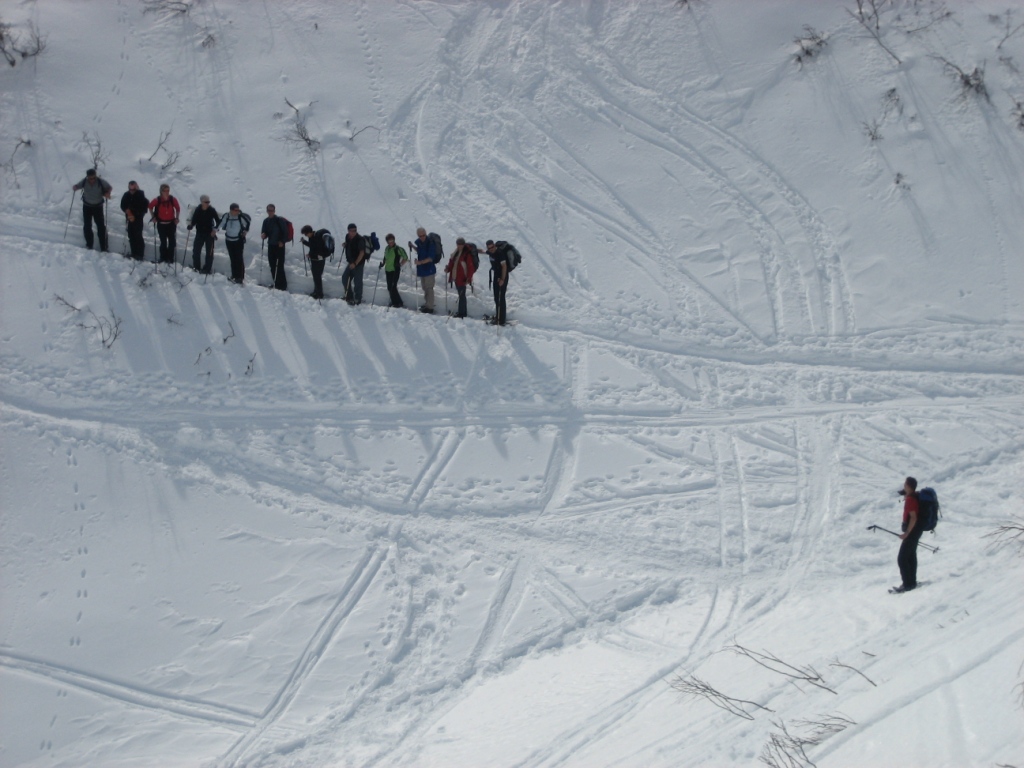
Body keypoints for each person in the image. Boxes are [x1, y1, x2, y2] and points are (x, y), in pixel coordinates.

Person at [894, 476, 922, 593]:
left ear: (909, 486)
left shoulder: (911, 499)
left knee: (902, 558)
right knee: (910, 556)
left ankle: (907, 584)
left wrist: (907, 533)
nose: (904, 486)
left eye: (905, 484)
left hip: (912, 532)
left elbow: (913, 518)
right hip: (917, 531)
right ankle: (912, 582)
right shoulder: (914, 496)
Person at [72, 168, 112, 252]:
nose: (92, 179)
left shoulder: (100, 181)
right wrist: (75, 187)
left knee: (101, 227)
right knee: (87, 226)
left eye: (94, 177)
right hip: (87, 206)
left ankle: (104, 247)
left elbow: (109, 187)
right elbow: (78, 186)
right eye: (90, 178)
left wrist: (107, 193)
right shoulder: (84, 181)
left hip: (98, 207)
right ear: (87, 177)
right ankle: (89, 245)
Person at [187, 195, 221, 274]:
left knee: (209, 252)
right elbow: (194, 220)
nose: (208, 203)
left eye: (208, 202)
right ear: (202, 202)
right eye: (206, 202)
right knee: (196, 251)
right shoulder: (198, 209)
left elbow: (218, 221)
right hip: (200, 233)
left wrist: (215, 230)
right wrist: (191, 225)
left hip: (210, 234)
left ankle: (207, 269)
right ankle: (196, 267)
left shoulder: (211, 210)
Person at [444, 238, 477, 318]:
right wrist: (448, 269)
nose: (459, 245)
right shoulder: (456, 253)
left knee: (462, 296)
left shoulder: (466, 254)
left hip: (462, 278)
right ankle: (462, 312)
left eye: (461, 244)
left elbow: (470, 267)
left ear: (464, 244)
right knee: (461, 295)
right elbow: (452, 263)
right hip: (456, 277)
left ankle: (462, 313)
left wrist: (469, 278)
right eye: (458, 244)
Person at [218, 203, 251, 283]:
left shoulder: (240, 217)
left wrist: (245, 231)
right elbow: (221, 223)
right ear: (231, 210)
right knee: (232, 258)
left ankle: (240, 277)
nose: (237, 211)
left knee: (239, 258)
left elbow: (247, 223)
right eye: (235, 210)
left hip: (238, 240)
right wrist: (215, 230)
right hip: (229, 240)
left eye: (238, 210)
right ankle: (234, 275)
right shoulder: (227, 216)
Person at [148, 184, 180, 263]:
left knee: (172, 242)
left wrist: (177, 218)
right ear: (161, 191)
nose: (166, 192)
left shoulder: (172, 199)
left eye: (168, 190)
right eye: (164, 191)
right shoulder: (157, 200)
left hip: (171, 224)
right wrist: (153, 217)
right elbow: (150, 206)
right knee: (163, 242)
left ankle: (170, 258)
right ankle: (163, 258)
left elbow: (178, 208)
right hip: (161, 224)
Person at [260, 204, 289, 290]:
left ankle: (282, 286)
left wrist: (282, 241)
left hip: (279, 246)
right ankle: (276, 284)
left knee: (279, 266)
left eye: (272, 210)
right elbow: (264, 231)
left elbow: (285, 233)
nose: (270, 212)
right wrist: (263, 235)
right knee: (272, 265)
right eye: (269, 210)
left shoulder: (279, 220)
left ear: (274, 211)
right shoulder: (266, 221)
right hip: (271, 245)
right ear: (267, 211)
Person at [408, 228, 437, 314]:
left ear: (426, 233)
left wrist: (420, 262)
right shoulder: (420, 243)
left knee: (429, 288)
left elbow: (431, 258)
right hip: (423, 270)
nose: (422, 237)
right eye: (420, 236)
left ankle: (430, 308)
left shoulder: (430, 243)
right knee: (425, 288)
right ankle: (427, 304)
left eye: (424, 235)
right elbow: (420, 251)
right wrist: (412, 246)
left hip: (429, 269)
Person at [119, 180, 148, 260]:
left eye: (133, 189)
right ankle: (134, 253)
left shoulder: (141, 195)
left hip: (138, 219)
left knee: (138, 236)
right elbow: (122, 205)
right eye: (130, 189)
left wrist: (135, 213)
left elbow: (144, 208)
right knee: (131, 235)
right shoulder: (126, 195)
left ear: (136, 187)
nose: (132, 191)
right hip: (129, 218)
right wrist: (127, 211)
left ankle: (140, 255)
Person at [300, 225, 330, 299]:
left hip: (318, 260)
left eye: (306, 234)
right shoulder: (313, 236)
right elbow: (312, 246)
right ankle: (316, 291)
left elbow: (317, 249)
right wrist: (304, 242)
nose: (306, 235)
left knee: (317, 277)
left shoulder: (317, 237)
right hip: (317, 259)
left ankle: (319, 294)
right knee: (316, 277)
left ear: (309, 232)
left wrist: (311, 255)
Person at [485, 239, 510, 325]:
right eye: (489, 248)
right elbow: (483, 251)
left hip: (502, 276)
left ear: (494, 245)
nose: (491, 249)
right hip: (496, 276)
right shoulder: (490, 252)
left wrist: (502, 279)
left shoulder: (500, 253)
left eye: (492, 247)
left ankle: (501, 320)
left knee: (500, 298)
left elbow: (504, 266)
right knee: (497, 297)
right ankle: (498, 316)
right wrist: (473, 249)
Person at [341, 223, 366, 304]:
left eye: (354, 230)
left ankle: (358, 299)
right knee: (345, 278)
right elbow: (350, 245)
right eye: (351, 231)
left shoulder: (360, 239)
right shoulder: (347, 237)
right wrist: (346, 244)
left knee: (357, 281)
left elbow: (362, 253)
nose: (353, 232)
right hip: (351, 262)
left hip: (358, 263)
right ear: (348, 231)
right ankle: (349, 296)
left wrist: (355, 263)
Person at [381, 234, 408, 308]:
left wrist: (400, 264)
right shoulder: (387, 248)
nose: (391, 242)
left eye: (392, 240)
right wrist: (383, 263)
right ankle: (395, 302)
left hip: (395, 270)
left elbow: (405, 257)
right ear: (387, 241)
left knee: (393, 286)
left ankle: (398, 303)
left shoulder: (398, 249)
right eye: (389, 241)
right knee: (389, 287)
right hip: (388, 270)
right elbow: (385, 257)